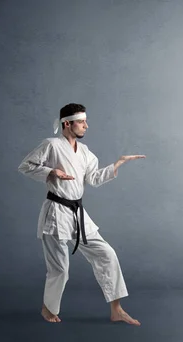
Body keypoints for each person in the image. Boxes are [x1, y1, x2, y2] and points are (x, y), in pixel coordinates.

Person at [18, 103, 145, 325]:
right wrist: (50, 171)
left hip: (77, 212)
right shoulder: (52, 145)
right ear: (67, 123)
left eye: (85, 121)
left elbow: (94, 178)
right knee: (60, 269)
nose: (87, 125)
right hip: (56, 212)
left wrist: (118, 164)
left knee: (106, 254)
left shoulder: (84, 152)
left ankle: (117, 310)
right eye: (82, 121)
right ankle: (48, 308)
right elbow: (26, 166)